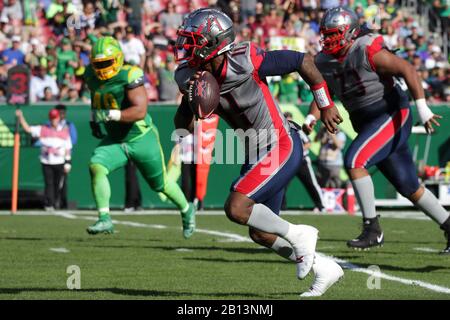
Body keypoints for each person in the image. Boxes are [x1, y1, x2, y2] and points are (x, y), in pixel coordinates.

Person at [174, 8, 343, 297]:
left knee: (236, 207)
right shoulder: (189, 74)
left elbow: (302, 60)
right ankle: (324, 268)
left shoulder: (245, 58)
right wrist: (191, 99)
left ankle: (301, 235)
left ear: (214, 43)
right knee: (260, 232)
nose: (186, 48)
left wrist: (324, 103)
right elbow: (184, 128)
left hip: (280, 143)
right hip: (255, 154)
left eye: (194, 41)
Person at [303, 7, 450, 254]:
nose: (328, 40)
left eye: (333, 34)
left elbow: (408, 69)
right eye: (325, 35)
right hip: (367, 122)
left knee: (354, 160)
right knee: (409, 186)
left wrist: (422, 108)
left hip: (391, 114)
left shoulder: (366, 49)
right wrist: (310, 117)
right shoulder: (323, 60)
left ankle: (372, 229)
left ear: (349, 32)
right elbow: (321, 90)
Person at [84, 36, 195, 238]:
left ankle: (187, 210)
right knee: (96, 166)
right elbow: (96, 97)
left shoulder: (129, 74)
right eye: (98, 64)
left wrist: (113, 114)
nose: (102, 68)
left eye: (107, 63)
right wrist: (94, 120)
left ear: (118, 59)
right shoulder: (90, 75)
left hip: (141, 138)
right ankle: (104, 219)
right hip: (117, 140)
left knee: (160, 185)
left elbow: (140, 111)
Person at [15, 108, 72, 211]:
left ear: (59, 118)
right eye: (52, 118)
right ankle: (49, 204)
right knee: (49, 183)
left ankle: (56, 203)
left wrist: (68, 163)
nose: (54, 120)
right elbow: (28, 129)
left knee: (58, 184)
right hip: (46, 161)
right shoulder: (43, 129)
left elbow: (68, 148)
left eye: (56, 118)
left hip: (60, 162)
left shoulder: (65, 130)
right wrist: (20, 117)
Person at [282, 112, 325, 212]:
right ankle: (281, 207)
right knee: (281, 184)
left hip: (302, 161)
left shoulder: (297, 130)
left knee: (311, 183)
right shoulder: (281, 131)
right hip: (289, 162)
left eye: (290, 120)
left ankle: (322, 206)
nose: (288, 122)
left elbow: (308, 143)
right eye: (287, 120)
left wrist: (297, 151)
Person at [54, 104, 77, 209]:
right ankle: (53, 201)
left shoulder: (69, 124)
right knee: (53, 181)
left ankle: (62, 202)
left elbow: (73, 140)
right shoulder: (51, 124)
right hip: (53, 157)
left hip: (65, 156)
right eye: (60, 112)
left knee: (63, 180)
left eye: (63, 112)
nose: (62, 115)